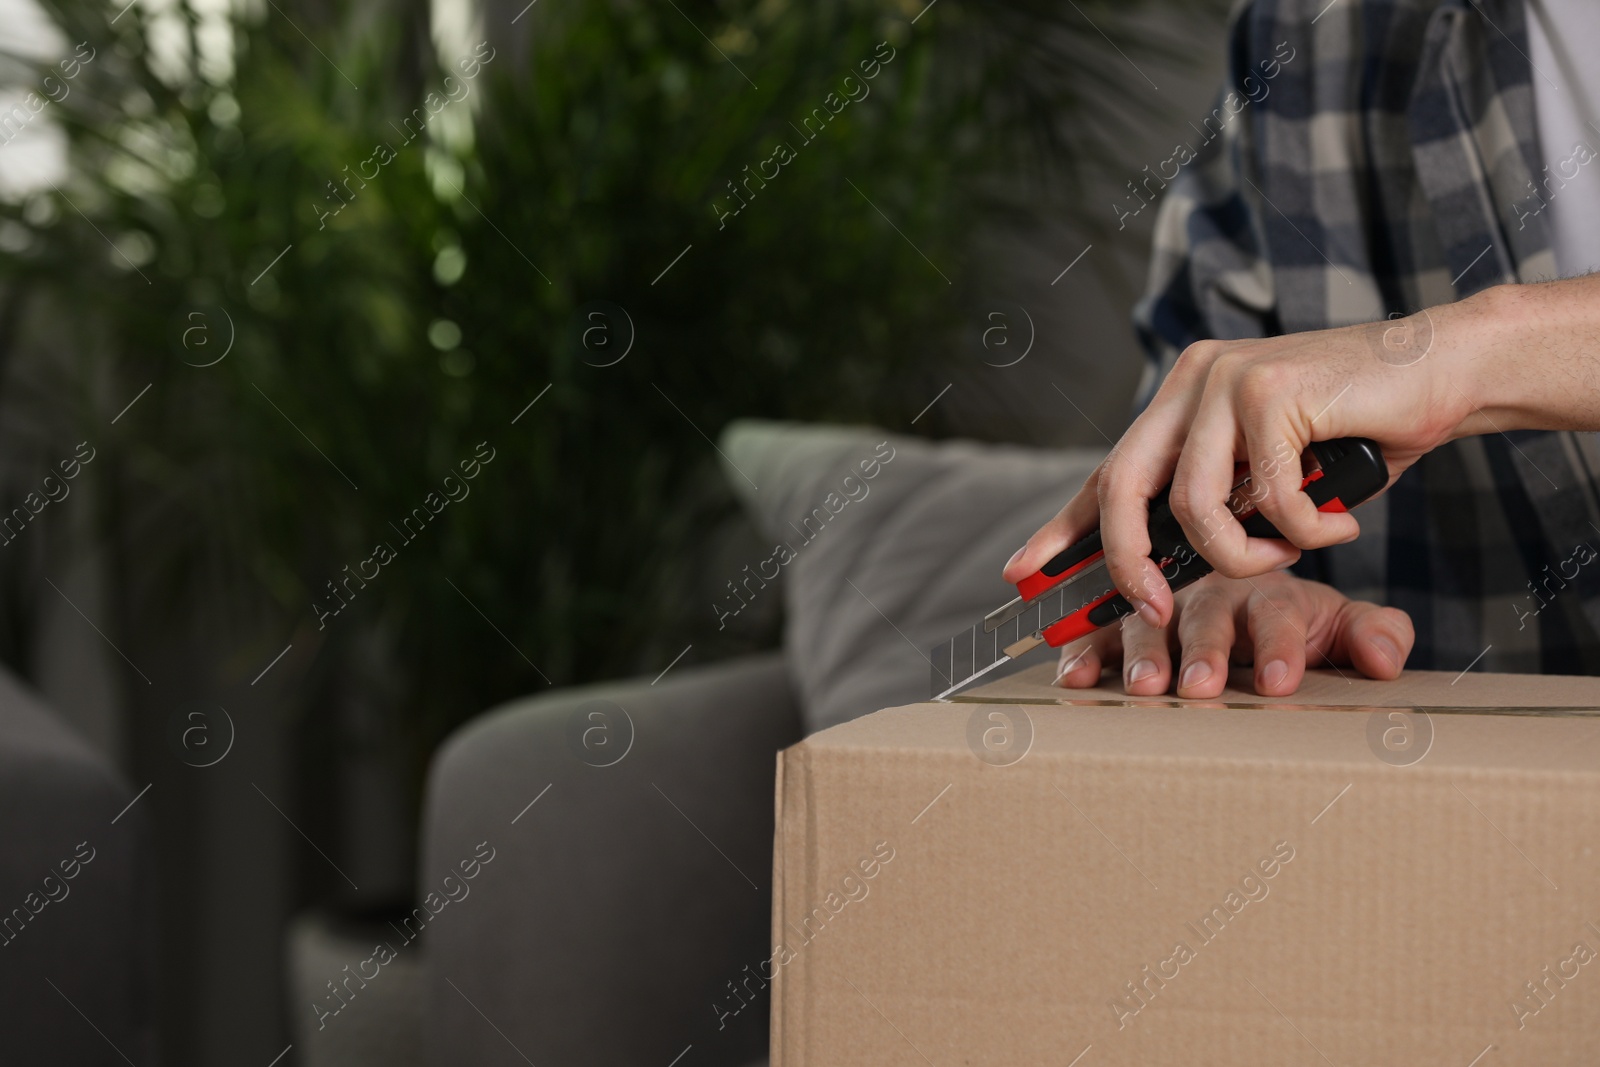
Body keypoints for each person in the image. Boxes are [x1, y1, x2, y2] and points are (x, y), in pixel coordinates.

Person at [1005, 0, 1600, 699]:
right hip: (1439, 778)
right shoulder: (1302, 34)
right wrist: (1229, 581)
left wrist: (1458, 357)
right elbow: (1194, 410)